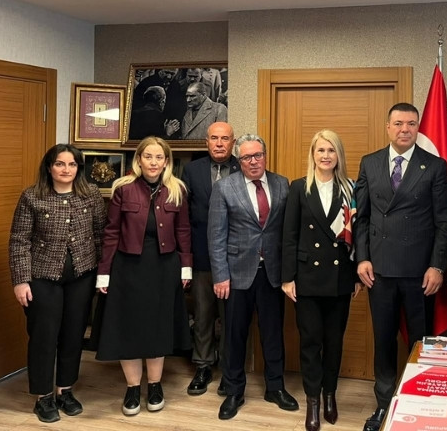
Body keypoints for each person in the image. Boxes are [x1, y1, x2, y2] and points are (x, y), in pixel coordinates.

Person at [354, 103, 447, 431]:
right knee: (383, 340)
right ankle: (384, 404)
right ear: (388, 127)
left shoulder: (434, 166)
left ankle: (418, 402)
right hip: (379, 271)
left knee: (419, 342)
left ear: (417, 127)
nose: (404, 129)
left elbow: (443, 221)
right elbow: (361, 217)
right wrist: (362, 257)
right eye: (398, 123)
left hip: (419, 272)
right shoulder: (369, 163)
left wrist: (437, 266)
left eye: (411, 124)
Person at [8, 144, 106, 423]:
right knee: (44, 337)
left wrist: (102, 274)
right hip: (42, 278)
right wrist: (20, 281)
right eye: (60, 164)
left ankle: (65, 390)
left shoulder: (91, 195)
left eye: (72, 164)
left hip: (82, 276)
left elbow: (101, 235)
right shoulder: (32, 196)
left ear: (79, 168)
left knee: (74, 334)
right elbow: (19, 241)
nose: (66, 169)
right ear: (49, 167)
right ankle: (43, 397)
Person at [95, 136, 192, 416]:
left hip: (164, 266)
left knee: (157, 326)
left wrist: (185, 266)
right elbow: (111, 232)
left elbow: (183, 230)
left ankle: (155, 385)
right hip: (128, 267)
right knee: (129, 327)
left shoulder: (177, 189)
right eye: (148, 156)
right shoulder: (123, 188)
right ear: (139, 159)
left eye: (159, 157)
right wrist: (104, 272)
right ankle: (132, 388)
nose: (153, 162)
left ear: (166, 161)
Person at [207, 134, 298, 420]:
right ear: (240, 160)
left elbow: (287, 231)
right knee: (235, 336)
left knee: (273, 334)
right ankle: (234, 391)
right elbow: (216, 236)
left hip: (272, 274)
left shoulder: (282, 184)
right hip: (236, 275)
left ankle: (275, 387)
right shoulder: (224, 188)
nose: (253, 161)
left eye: (258, 155)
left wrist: (289, 273)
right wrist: (220, 276)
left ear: (265, 156)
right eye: (246, 157)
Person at [282, 130, 363, 431]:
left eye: (331, 150)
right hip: (307, 278)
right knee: (310, 342)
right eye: (321, 150)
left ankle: (330, 394)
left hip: (341, 277)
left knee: (334, 341)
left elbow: (358, 235)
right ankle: (313, 400)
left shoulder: (351, 189)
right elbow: (289, 236)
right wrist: (288, 278)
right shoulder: (299, 187)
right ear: (313, 155)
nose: (326, 156)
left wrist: (357, 275)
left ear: (338, 155)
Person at [181, 122, 240, 397]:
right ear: (206, 142)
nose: (219, 143)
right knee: (203, 314)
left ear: (233, 142)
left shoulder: (244, 167)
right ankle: (203, 365)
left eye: (225, 139)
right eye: (214, 138)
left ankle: (229, 369)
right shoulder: (192, 171)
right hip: (202, 254)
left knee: (231, 317)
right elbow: (184, 216)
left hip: (236, 258)